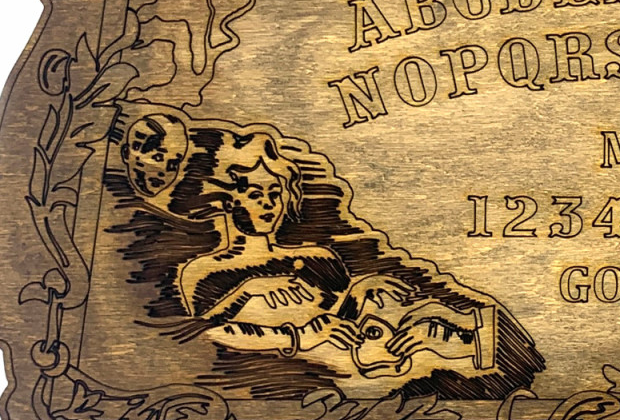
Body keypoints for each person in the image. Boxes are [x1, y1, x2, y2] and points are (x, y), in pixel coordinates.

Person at [173, 132, 485, 391]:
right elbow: (200, 336)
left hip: (363, 375)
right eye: (255, 195)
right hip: (284, 386)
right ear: (227, 202)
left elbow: (340, 323)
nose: (269, 205)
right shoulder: (202, 271)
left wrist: (358, 292)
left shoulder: (317, 257)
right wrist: (249, 292)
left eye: (275, 194)